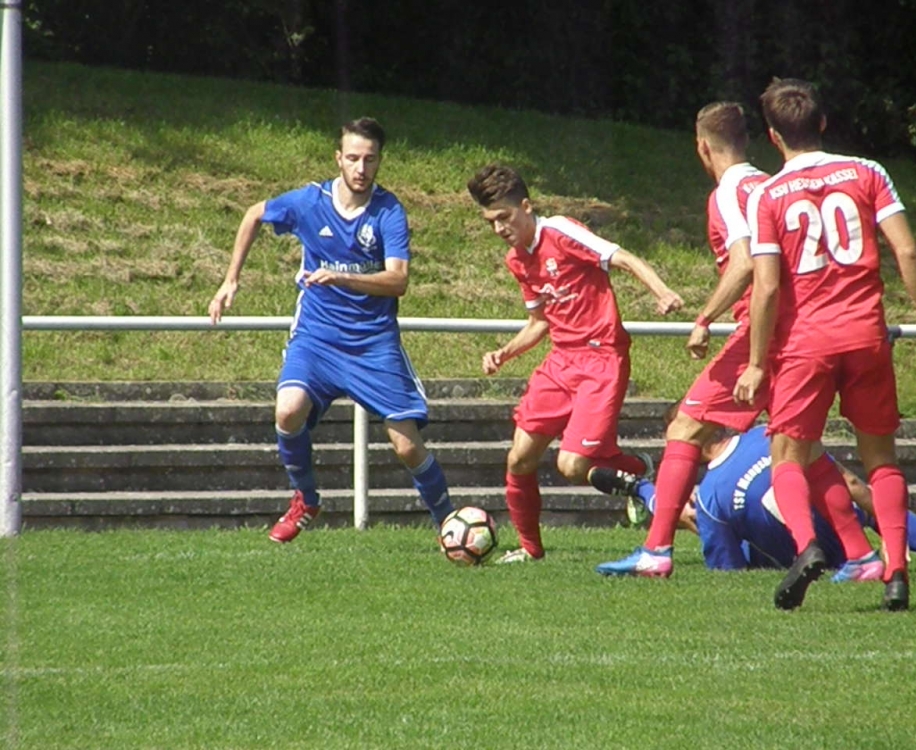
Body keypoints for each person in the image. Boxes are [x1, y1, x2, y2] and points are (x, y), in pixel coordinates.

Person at [597, 101, 875, 580]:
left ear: (702, 147)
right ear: (751, 139)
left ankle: (656, 551)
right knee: (806, 453)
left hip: (761, 335)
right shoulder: (771, 184)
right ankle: (863, 556)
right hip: (805, 331)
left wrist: (705, 317)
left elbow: (746, 264)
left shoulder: (728, 192)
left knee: (685, 428)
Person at [733, 79, 916, 611]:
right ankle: (896, 570)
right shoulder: (867, 172)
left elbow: (766, 286)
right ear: (823, 123)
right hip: (866, 335)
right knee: (881, 460)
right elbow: (907, 251)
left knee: (788, 453)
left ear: (772, 136)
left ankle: (807, 545)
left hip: (807, 342)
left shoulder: (766, 195)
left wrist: (757, 362)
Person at [208, 117, 453, 543]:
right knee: (287, 410)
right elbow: (254, 214)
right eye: (353, 158)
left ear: (380, 161)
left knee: (406, 445)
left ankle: (449, 523)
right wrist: (231, 280)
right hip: (317, 336)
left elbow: (398, 280)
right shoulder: (310, 202)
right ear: (339, 158)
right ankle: (306, 499)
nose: (361, 168)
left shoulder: (388, 211)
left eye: (370, 160)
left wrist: (342, 278)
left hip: (372, 342)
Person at [466, 164, 684, 563]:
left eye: (504, 217)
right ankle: (530, 550)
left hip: (601, 361)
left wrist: (662, 291)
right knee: (519, 458)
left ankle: (639, 469)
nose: (498, 228)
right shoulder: (518, 260)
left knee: (572, 465)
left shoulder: (561, 232)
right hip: (561, 362)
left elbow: (623, 258)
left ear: (526, 207)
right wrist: (505, 352)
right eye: (490, 222)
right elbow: (539, 322)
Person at [591, 425, 916, 577]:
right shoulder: (770, 432)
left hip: (799, 556)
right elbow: (849, 482)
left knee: (695, 514)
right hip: (846, 532)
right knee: (869, 503)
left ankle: (642, 490)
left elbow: (728, 570)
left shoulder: (712, 492)